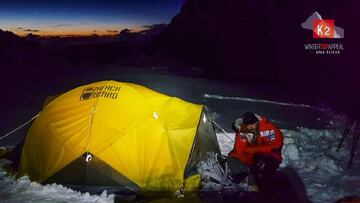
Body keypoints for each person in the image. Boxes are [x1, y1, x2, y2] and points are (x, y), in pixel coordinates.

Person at [227, 112, 284, 192]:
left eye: (253, 124)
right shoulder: (243, 131)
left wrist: (255, 150)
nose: (251, 127)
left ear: (257, 121)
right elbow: (241, 149)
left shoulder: (269, 128)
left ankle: (266, 185)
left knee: (265, 169)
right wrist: (247, 162)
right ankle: (246, 180)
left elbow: (276, 145)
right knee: (233, 158)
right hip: (250, 157)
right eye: (248, 125)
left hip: (268, 155)